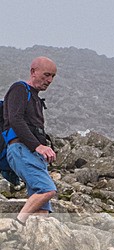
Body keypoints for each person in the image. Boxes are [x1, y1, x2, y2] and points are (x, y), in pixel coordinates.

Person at [2, 57, 58, 226]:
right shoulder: (19, 89)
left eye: (53, 76)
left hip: (33, 154)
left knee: (42, 208)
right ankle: (16, 224)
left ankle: (36, 243)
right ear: (33, 72)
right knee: (47, 190)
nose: (49, 80)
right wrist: (38, 146)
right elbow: (15, 120)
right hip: (21, 149)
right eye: (46, 75)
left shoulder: (36, 99)